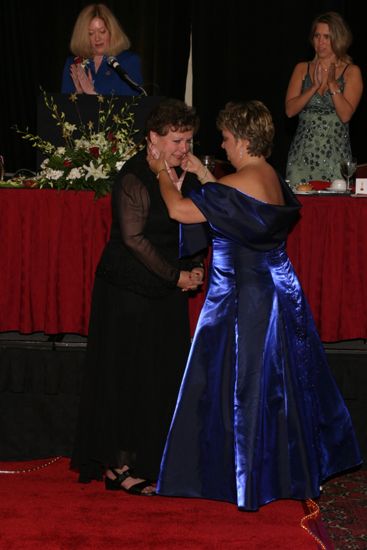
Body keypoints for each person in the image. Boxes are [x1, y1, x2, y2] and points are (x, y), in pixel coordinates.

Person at [147, 100, 362, 511]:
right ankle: (283, 471)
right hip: (279, 290)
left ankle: (240, 477)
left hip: (243, 299)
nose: (224, 146)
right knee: (277, 388)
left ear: (243, 140)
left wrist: (161, 170)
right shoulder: (269, 176)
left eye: (227, 139)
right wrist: (205, 174)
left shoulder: (236, 184)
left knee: (240, 388)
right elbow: (237, 206)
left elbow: (179, 210)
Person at [70, 99, 207, 495]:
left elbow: (196, 224)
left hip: (166, 289)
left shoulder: (185, 172)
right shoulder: (134, 177)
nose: (184, 148)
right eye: (178, 140)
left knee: (160, 377)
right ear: (154, 138)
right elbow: (133, 240)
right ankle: (119, 466)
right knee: (128, 377)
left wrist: (195, 265)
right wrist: (176, 276)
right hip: (128, 291)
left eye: (189, 140)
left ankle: (153, 459)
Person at [285, 11, 363, 186]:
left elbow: (345, 116)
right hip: (301, 158)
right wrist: (313, 87)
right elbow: (290, 111)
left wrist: (333, 85)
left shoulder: (351, 72)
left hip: (336, 158)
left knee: (333, 211)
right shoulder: (301, 69)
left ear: (338, 39)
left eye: (326, 37)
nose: (320, 42)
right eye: (317, 36)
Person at [61, 4, 143, 95]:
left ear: (112, 32)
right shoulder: (74, 64)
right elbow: (63, 106)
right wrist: (78, 95)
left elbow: (133, 105)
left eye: (102, 31)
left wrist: (93, 93)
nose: (97, 38)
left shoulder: (128, 61)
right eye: (91, 33)